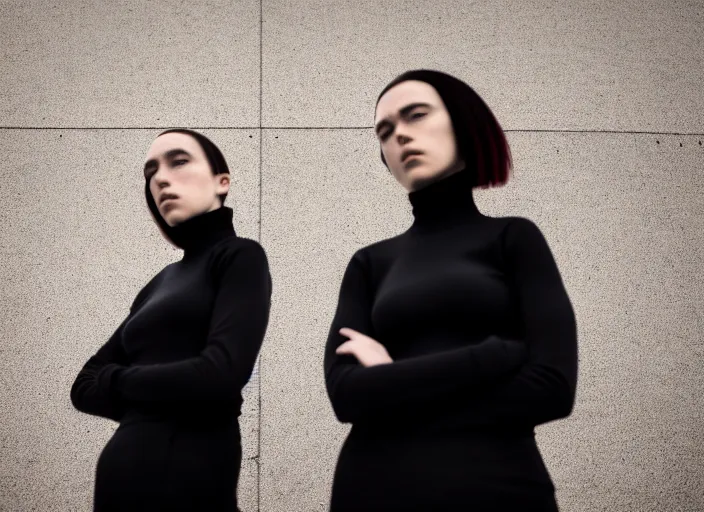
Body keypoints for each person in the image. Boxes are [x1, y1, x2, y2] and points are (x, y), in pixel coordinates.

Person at [323, 70, 578, 511]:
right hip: (372, 488)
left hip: (498, 488)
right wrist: (493, 356)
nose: (399, 135)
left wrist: (389, 379)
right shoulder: (369, 262)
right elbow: (346, 396)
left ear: (463, 123)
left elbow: (552, 387)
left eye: (416, 116)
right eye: (385, 131)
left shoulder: (514, 239)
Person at [70, 129, 271, 511]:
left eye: (178, 162)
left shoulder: (240, 257)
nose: (160, 178)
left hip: (189, 470)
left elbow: (222, 372)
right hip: (119, 478)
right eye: (151, 171)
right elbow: (82, 386)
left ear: (221, 182)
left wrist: (117, 380)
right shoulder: (161, 281)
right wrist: (166, 388)